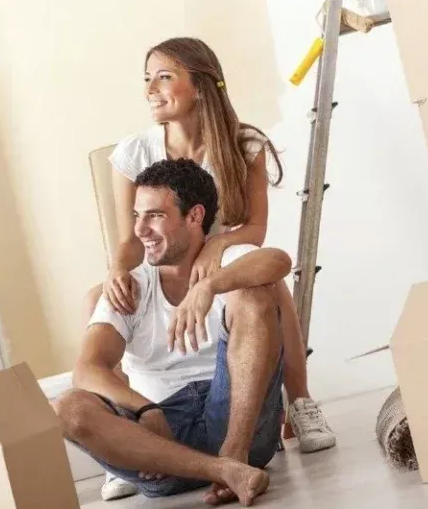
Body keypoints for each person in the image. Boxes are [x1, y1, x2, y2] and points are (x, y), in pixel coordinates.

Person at [84, 36, 335, 500]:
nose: (150, 90)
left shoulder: (244, 143)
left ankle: (300, 401)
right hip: (165, 260)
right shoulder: (135, 151)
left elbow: (255, 229)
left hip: (221, 252)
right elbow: (129, 237)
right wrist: (117, 270)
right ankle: (123, 441)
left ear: (199, 85)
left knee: (268, 282)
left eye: (164, 77)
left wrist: (215, 246)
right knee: (97, 299)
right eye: (147, 79)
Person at [57, 159, 289, 507]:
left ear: (194, 216)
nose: (140, 230)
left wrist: (209, 286)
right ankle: (225, 471)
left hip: (237, 427)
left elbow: (278, 260)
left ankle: (233, 456)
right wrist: (145, 410)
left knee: (253, 295)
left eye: (154, 216)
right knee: (67, 407)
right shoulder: (131, 286)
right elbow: (87, 369)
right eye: (137, 216)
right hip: (161, 443)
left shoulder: (228, 259)